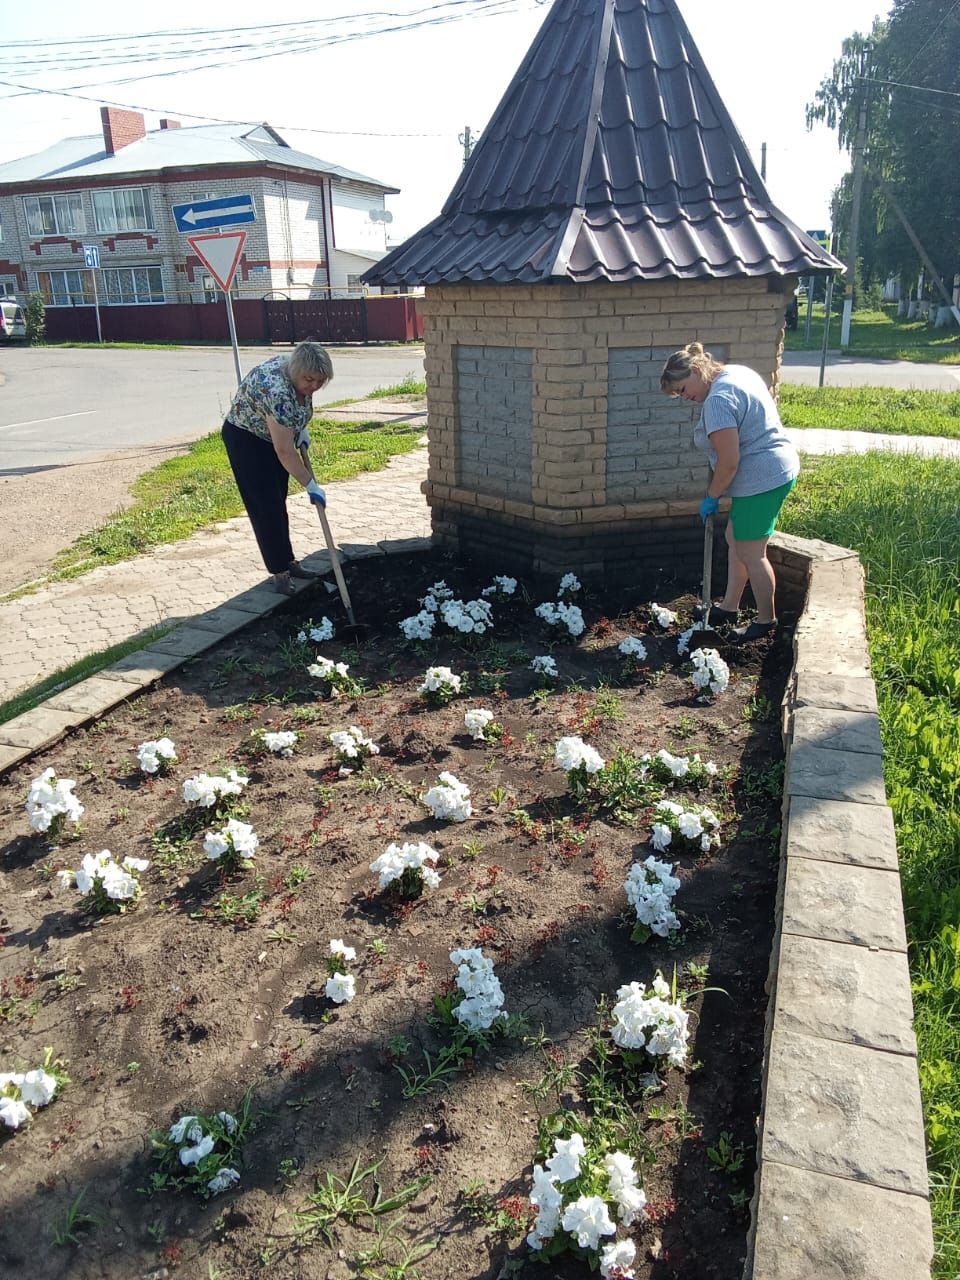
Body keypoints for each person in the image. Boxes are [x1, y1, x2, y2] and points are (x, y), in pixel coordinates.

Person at [660, 341, 800, 641]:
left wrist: (712, 496)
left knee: (751, 552)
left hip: (762, 479)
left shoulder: (718, 401)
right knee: (734, 539)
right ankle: (729, 606)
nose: (687, 398)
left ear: (697, 370)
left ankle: (765, 621)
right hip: (773, 468)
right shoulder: (734, 372)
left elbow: (729, 462)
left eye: (684, 389)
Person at [222, 342, 333, 595]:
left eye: (320, 381)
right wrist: (310, 485)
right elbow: (284, 451)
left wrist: (300, 427)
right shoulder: (278, 392)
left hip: (271, 434)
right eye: (310, 380)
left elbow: (294, 412)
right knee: (266, 506)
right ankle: (279, 573)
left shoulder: (300, 371)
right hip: (247, 439)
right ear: (297, 372)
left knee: (278, 499)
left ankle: (289, 561)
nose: (314, 386)